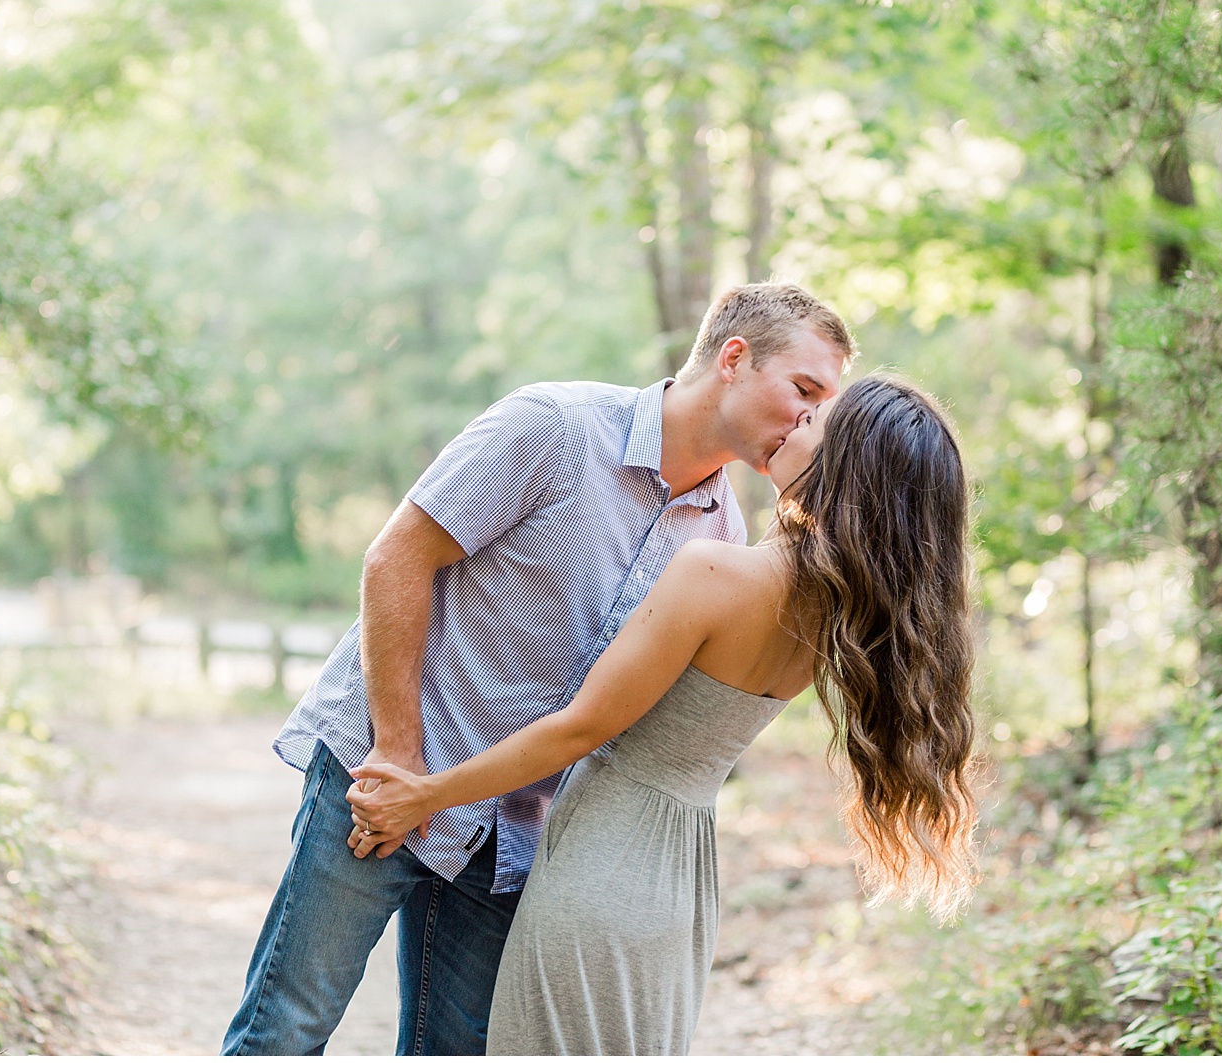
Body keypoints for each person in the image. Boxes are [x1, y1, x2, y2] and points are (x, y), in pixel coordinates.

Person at [218, 282, 857, 1055]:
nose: (809, 420)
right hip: (383, 776)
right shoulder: (555, 428)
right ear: (733, 358)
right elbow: (397, 556)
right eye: (804, 389)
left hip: (510, 834)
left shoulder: (723, 534)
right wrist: (397, 749)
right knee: (284, 1029)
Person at [346, 375, 980, 1055]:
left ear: (848, 463)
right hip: (681, 883)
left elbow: (581, 727)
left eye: (817, 417)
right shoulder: (839, 619)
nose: (796, 420)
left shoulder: (714, 573)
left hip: (604, 865)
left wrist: (427, 793)